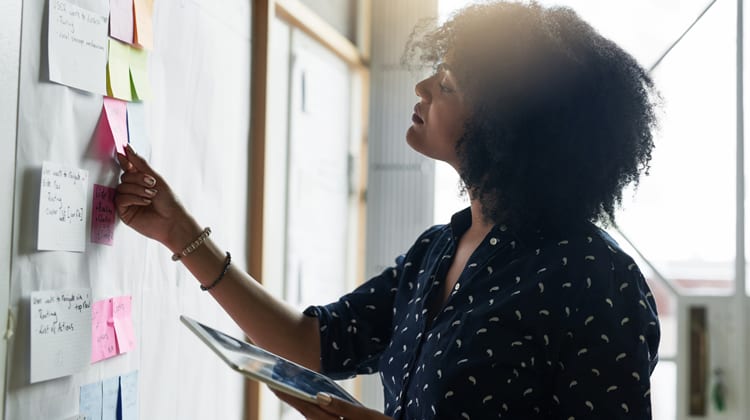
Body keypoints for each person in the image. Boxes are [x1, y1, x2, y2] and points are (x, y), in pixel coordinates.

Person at [115, 1, 660, 419]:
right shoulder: (438, 249)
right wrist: (181, 232)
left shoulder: (596, 279)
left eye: (447, 84)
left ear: (509, 127)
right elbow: (316, 342)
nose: (422, 86)